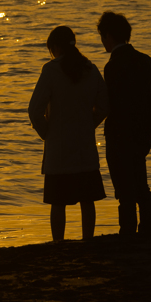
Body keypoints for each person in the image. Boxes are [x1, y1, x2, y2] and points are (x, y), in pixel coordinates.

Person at [28, 26, 109, 241]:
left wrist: (47, 133)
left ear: (55, 47)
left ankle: (58, 243)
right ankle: (88, 241)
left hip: (59, 147)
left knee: (58, 201)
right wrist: (89, 124)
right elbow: (104, 105)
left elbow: (34, 110)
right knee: (87, 199)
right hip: (84, 144)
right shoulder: (90, 69)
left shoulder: (51, 70)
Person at [96, 11, 151, 235]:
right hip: (141, 133)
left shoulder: (113, 66)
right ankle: (147, 230)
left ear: (108, 35)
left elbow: (111, 104)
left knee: (124, 189)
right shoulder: (145, 61)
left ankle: (127, 231)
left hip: (119, 134)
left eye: (102, 36)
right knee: (141, 184)